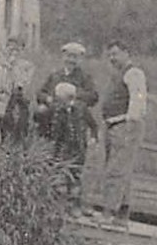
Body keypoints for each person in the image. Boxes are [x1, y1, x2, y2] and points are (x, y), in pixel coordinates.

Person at [98, 41, 148, 219]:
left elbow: (137, 101)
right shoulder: (118, 74)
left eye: (115, 54)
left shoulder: (133, 73)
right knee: (121, 170)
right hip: (114, 125)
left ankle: (109, 212)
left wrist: (129, 125)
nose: (112, 58)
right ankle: (122, 211)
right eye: (110, 55)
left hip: (125, 126)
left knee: (115, 170)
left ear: (126, 53)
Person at [34, 41, 99, 155]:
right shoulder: (55, 75)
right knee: (41, 113)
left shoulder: (85, 77)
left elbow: (93, 97)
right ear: (63, 57)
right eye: (68, 56)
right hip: (53, 113)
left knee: (75, 146)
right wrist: (48, 98)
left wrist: (75, 95)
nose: (71, 60)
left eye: (75, 57)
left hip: (74, 114)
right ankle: (45, 145)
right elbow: (40, 93)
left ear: (80, 60)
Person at [41, 82, 90, 204]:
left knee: (75, 175)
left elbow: (93, 124)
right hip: (61, 147)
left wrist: (92, 138)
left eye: (60, 98)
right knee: (58, 173)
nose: (58, 101)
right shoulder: (56, 109)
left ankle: (74, 204)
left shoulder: (81, 108)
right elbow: (43, 122)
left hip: (77, 147)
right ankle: (57, 202)